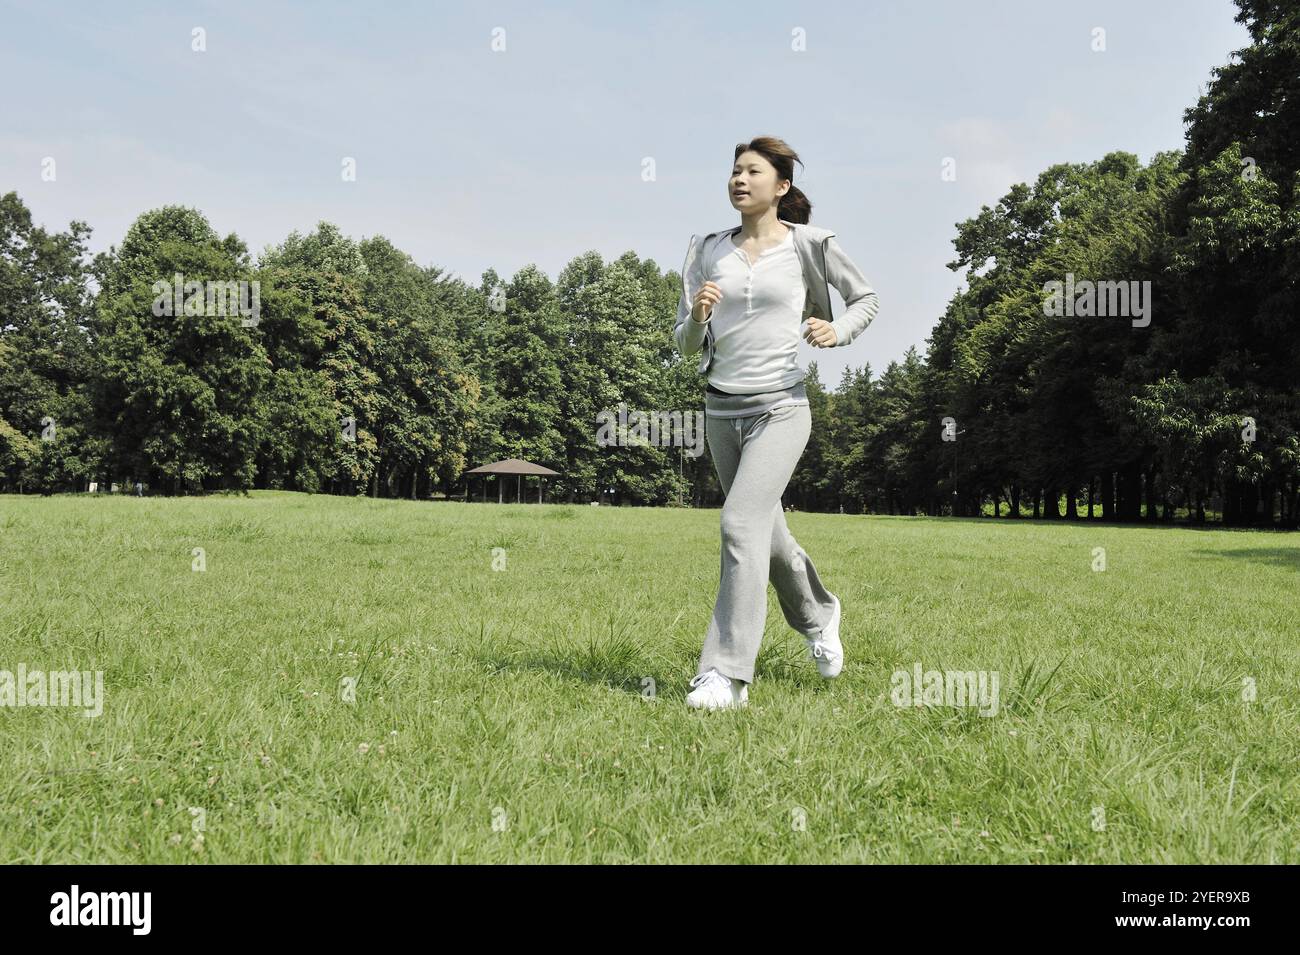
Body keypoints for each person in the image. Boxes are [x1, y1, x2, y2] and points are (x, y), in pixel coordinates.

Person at [672, 136, 880, 710]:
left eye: (752, 172)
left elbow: (865, 298)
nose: (739, 179)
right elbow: (685, 345)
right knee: (769, 535)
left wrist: (837, 332)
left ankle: (726, 674)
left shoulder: (810, 245)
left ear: (780, 186)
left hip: (781, 408)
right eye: (734, 171)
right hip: (720, 410)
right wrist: (697, 316)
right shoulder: (707, 250)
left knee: (739, 523)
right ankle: (820, 615)